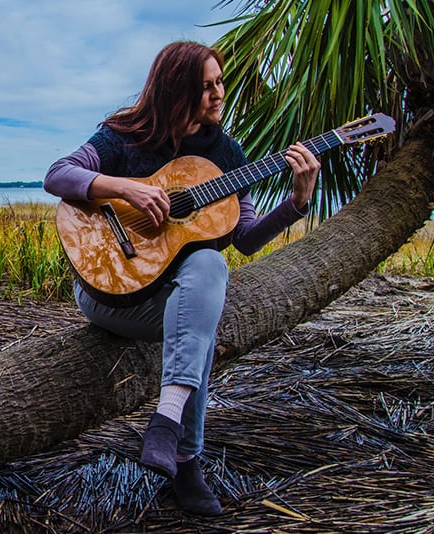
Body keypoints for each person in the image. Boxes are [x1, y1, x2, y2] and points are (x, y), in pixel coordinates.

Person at [43, 41, 320, 516]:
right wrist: (123, 186)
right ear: (176, 91)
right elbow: (57, 174)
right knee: (203, 324)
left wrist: (297, 201)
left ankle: (166, 422)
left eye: (219, 82)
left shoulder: (227, 155)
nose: (219, 94)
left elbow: (247, 238)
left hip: (176, 299)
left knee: (210, 266)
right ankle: (189, 463)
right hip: (108, 295)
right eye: (205, 86)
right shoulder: (124, 136)